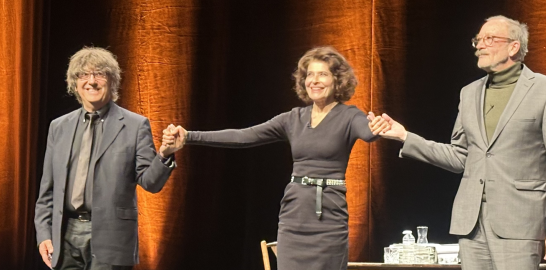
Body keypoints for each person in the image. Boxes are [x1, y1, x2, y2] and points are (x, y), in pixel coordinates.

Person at [369, 15, 546, 270]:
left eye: (489, 38)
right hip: (471, 223)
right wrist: (404, 136)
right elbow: (460, 157)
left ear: (513, 46)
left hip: (519, 221)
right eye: (478, 39)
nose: (480, 45)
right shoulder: (469, 93)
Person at [165, 46, 389, 270]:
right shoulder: (293, 118)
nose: (314, 80)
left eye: (323, 74)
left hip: (328, 217)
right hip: (294, 216)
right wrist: (189, 136)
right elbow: (244, 136)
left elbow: (368, 132)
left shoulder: (350, 116)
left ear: (337, 80)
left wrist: (377, 127)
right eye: (310, 74)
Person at [34, 47, 179, 270]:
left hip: (111, 236)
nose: (91, 81)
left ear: (112, 81)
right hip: (65, 235)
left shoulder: (135, 125)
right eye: (84, 74)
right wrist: (43, 233)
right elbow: (48, 190)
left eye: (99, 74)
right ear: (75, 83)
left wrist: (165, 154)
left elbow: (150, 182)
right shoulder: (58, 127)